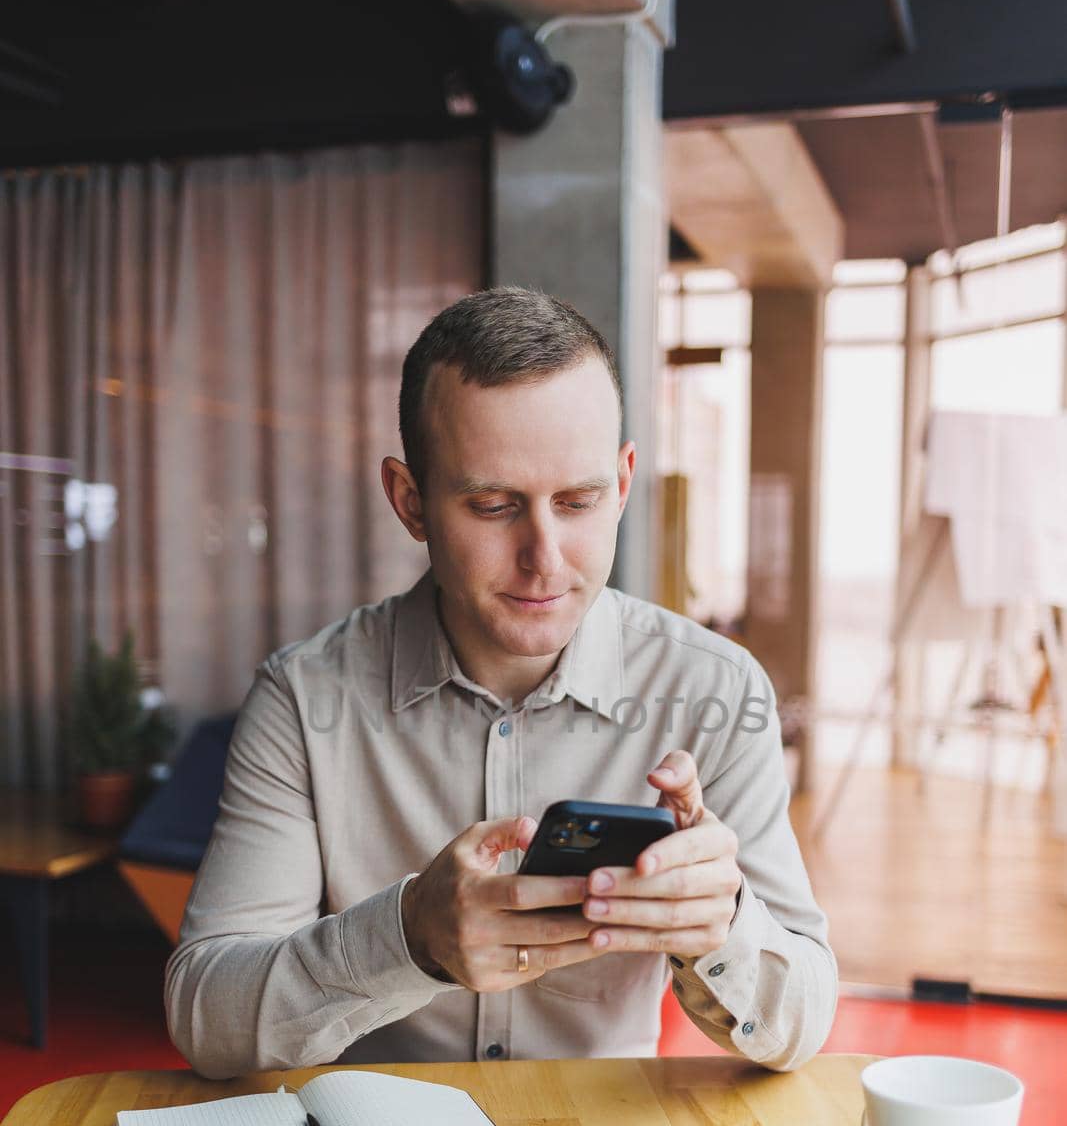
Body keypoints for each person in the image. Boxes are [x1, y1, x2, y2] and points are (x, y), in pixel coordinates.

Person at [165, 287, 837, 1079]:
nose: (544, 557)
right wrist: (407, 936)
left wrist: (718, 925)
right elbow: (205, 1018)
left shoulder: (714, 690)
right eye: (492, 506)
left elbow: (800, 1027)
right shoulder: (306, 698)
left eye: (579, 502)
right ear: (409, 502)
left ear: (622, 483)